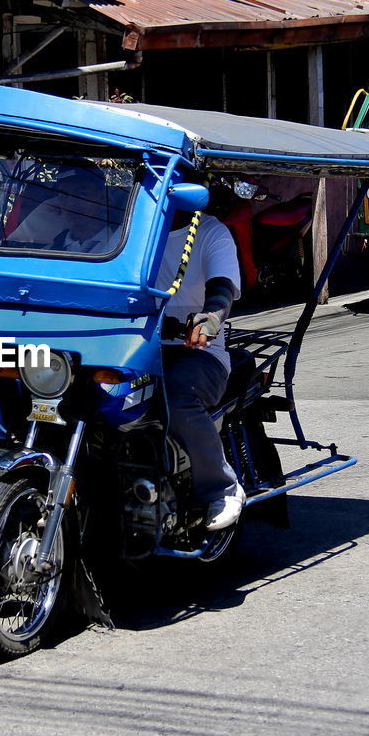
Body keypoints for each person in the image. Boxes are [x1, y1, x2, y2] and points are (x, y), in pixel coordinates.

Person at [156, 198, 245, 531]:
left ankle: (221, 489)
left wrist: (209, 318)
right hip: (133, 347)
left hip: (199, 352)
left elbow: (222, 287)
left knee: (179, 399)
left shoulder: (210, 232)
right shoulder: (133, 229)